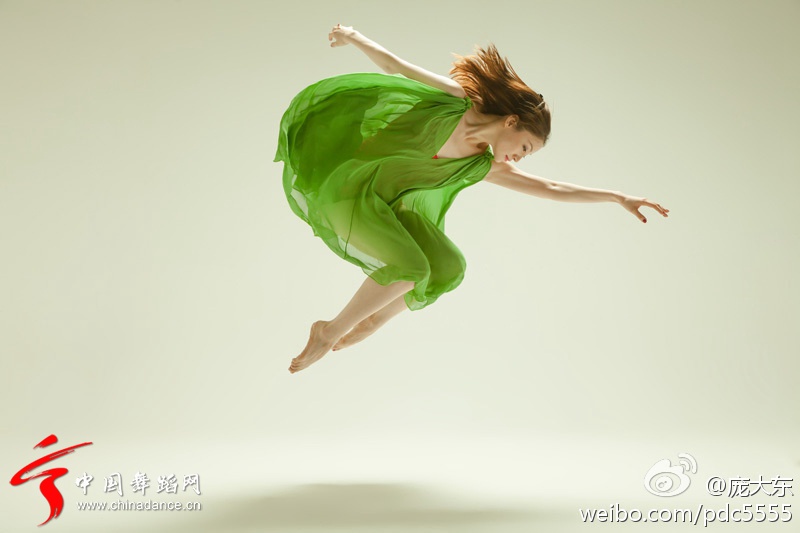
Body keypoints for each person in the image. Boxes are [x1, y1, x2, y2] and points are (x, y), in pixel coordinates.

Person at [275, 24, 669, 374]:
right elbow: (397, 66)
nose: (520, 157)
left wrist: (617, 197)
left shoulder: (483, 165)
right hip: (349, 192)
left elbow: (551, 189)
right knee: (409, 268)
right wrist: (354, 37)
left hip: (386, 206)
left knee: (448, 267)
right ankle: (329, 331)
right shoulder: (453, 102)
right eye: (525, 147)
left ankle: (374, 319)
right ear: (511, 122)